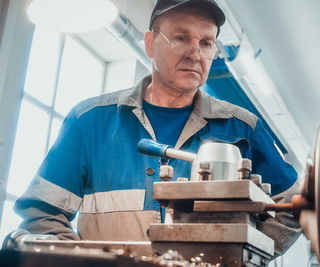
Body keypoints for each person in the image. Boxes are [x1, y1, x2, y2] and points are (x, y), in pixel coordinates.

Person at [13, 0, 301, 256]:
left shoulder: (242, 127)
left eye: (206, 43)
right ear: (150, 43)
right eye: (180, 37)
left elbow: (294, 205)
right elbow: (42, 212)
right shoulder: (89, 122)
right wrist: (82, 262)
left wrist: (247, 252)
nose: (195, 53)